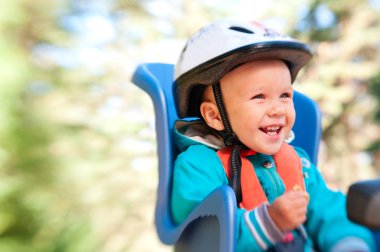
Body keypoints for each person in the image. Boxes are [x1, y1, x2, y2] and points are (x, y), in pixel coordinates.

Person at [170, 19, 375, 251]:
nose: (278, 109)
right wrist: (270, 222)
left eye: (285, 95)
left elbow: (330, 212)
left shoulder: (299, 163)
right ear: (215, 116)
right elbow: (201, 236)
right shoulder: (199, 166)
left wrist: (348, 243)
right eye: (259, 96)